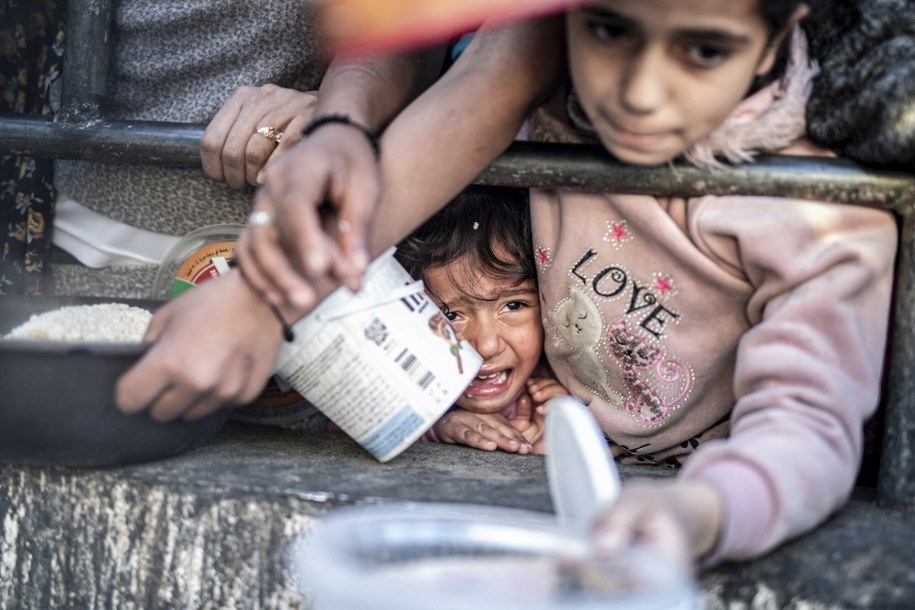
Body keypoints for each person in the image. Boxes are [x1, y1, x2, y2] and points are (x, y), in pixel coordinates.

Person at [120, 0, 898, 572]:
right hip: (551, 457)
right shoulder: (546, 107)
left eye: (702, 51)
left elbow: (807, 423)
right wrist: (263, 293)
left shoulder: (818, 212)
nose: (639, 90)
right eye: (609, 30)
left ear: (780, 32)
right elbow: (479, 88)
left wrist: (703, 510)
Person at [394, 185, 568, 455]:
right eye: (449, 315)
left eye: (513, 305)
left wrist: (571, 431)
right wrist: (436, 429)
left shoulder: (564, 385)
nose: (485, 346)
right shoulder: (395, 389)